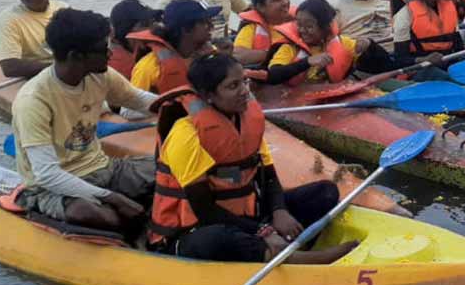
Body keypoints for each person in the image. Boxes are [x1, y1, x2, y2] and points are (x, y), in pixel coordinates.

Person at [148, 53, 357, 263]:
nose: (245, 91)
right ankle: (298, 258)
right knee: (217, 239)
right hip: (194, 230)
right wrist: (264, 231)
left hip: (248, 218)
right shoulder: (186, 134)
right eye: (233, 86)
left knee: (325, 192)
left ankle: (278, 248)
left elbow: (269, 176)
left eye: (244, 81)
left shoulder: (245, 121)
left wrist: (279, 210)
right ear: (208, 95)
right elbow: (205, 211)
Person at [11, 8, 156, 232]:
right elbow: (48, 174)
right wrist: (113, 198)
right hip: (52, 188)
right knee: (88, 213)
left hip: (104, 168)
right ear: (75, 56)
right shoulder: (33, 100)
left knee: (169, 169)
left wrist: (189, 102)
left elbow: (141, 101)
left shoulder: (101, 75)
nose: (110, 53)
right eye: (102, 49)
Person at [267, 0, 376, 85]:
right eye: (299, 25)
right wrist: (307, 62)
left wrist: (370, 45)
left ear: (326, 27)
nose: (302, 30)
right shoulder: (290, 48)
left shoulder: (343, 43)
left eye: (309, 26)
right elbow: (272, 75)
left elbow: (383, 66)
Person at [0, 0, 68, 79]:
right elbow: (10, 67)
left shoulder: (63, 9)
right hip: (35, 77)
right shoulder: (8, 19)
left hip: (66, 70)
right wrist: (58, 68)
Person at [129, 0, 218, 93]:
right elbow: (134, 106)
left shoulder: (211, 53)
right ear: (186, 29)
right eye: (205, 23)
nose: (212, 26)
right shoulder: (148, 68)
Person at [233, 0, 294, 67]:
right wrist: (277, 54)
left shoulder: (300, 24)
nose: (285, 2)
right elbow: (238, 56)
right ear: (261, 7)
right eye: (277, 0)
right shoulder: (251, 28)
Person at [108, 0, 162, 80]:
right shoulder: (120, 67)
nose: (153, 27)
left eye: (154, 21)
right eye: (146, 24)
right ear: (126, 31)